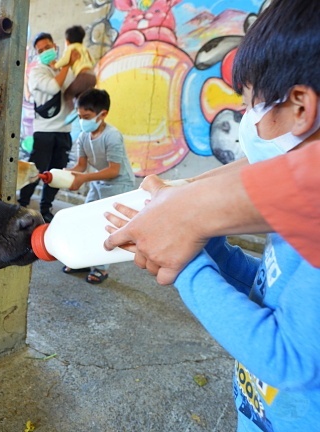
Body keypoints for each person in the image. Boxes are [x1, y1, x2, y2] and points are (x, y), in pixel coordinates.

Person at [108, 1, 320, 430]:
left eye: (251, 107)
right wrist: (214, 249)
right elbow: (275, 290)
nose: (244, 123)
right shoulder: (293, 219)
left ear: (300, 106)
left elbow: (291, 359)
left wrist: (186, 266)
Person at [62, 88, 134, 284]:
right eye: (79, 116)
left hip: (120, 184)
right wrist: (60, 175)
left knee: (106, 227)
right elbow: (81, 166)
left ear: (103, 114)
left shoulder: (112, 136)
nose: (82, 121)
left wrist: (83, 179)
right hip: (98, 182)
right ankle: (84, 260)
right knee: (86, 220)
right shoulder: (84, 137)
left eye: (87, 116)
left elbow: (114, 170)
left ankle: (101, 268)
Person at [18, 32, 79, 223]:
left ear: (55, 46)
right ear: (37, 54)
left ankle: (46, 207)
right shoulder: (37, 71)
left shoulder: (65, 70)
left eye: (47, 47)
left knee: (56, 173)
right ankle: (22, 203)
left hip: (64, 131)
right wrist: (67, 65)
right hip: (44, 131)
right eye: (41, 50)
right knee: (36, 170)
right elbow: (53, 88)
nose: (45, 52)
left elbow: (75, 89)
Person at [53, 25, 96, 123]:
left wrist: (55, 66)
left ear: (67, 41)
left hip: (83, 76)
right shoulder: (84, 48)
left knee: (68, 94)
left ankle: (73, 113)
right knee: (81, 97)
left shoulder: (71, 48)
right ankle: (85, 115)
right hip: (92, 77)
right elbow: (92, 62)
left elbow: (65, 60)